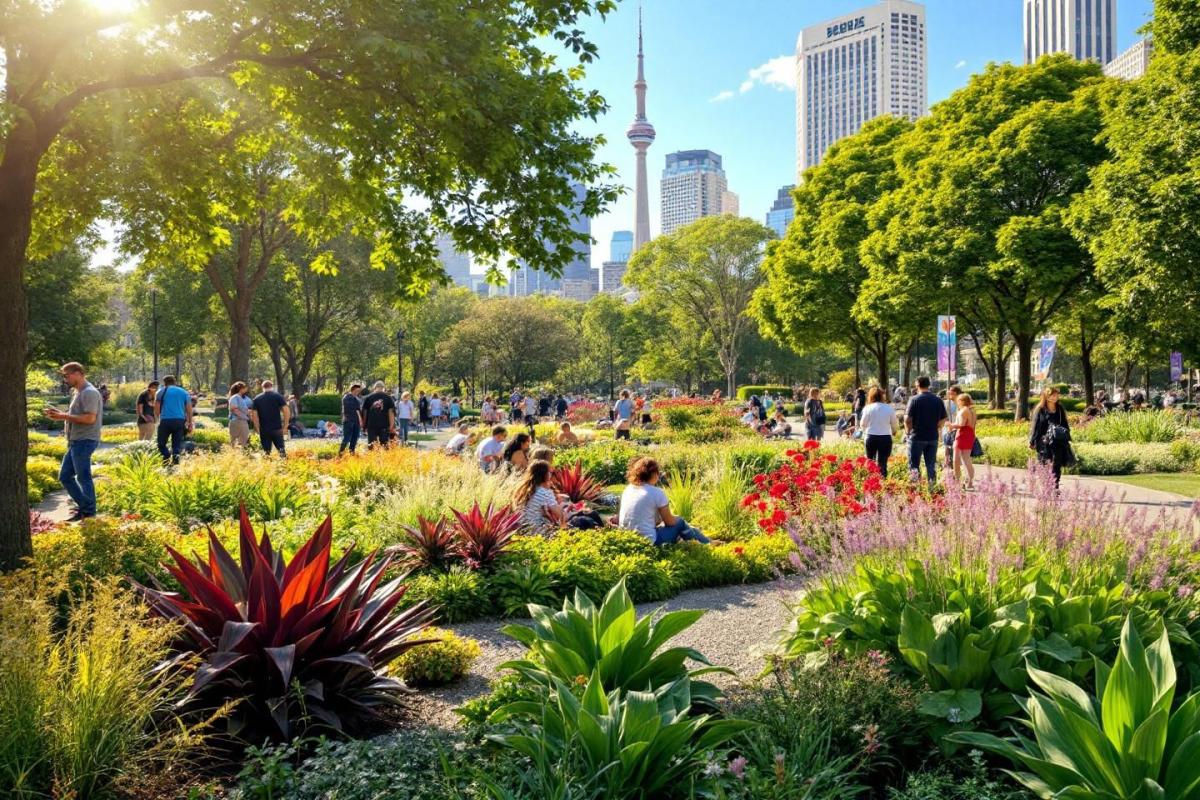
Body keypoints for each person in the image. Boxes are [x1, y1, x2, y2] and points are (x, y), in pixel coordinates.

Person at [45, 362, 102, 521]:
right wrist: (60, 414)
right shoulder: (78, 392)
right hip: (76, 441)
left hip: (85, 440)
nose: (65, 379)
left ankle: (88, 512)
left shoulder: (89, 392)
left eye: (66, 375)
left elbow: (90, 418)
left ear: (78, 373)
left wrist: (63, 416)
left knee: (83, 478)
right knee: (65, 476)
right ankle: (86, 508)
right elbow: (77, 416)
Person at [618, 457, 710, 545]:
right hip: (650, 542)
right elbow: (670, 522)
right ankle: (705, 542)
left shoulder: (628, 489)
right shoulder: (656, 492)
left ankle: (704, 539)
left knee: (682, 526)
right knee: (680, 522)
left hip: (628, 539)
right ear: (654, 474)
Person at [904, 376, 947, 486]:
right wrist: (937, 427)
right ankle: (932, 489)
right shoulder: (938, 400)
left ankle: (916, 489)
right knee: (931, 465)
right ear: (929, 385)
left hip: (916, 436)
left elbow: (908, 419)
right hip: (932, 437)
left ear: (917, 385)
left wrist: (908, 432)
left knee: (914, 465)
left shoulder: (914, 400)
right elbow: (943, 419)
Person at [1030, 386, 1072, 487]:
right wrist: (1032, 441)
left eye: (1056, 395)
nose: (1055, 397)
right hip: (1044, 441)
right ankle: (1046, 486)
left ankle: (1055, 486)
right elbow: (1035, 426)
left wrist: (1067, 436)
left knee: (1056, 464)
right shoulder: (1040, 409)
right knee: (1044, 463)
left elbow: (1065, 424)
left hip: (1058, 441)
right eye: (1052, 395)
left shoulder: (1060, 408)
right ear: (1046, 396)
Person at [859, 386, 898, 478]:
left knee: (870, 461)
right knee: (883, 463)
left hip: (871, 436)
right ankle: (882, 481)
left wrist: (865, 430)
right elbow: (894, 423)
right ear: (882, 396)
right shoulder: (889, 408)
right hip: (885, 437)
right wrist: (894, 431)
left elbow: (862, 424)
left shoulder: (868, 408)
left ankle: (870, 481)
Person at [155, 374, 193, 464]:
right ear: (174, 382)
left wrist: (157, 420)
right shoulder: (184, 392)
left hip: (165, 420)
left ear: (164, 383)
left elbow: (156, 408)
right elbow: (189, 409)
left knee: (161, 443)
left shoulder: (161, 392)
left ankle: (166, 456)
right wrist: (189, 422)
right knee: (176, 444)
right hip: (179, 421)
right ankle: (176, 463)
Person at [251, 380, 289, 457]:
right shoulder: (278, 396)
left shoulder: (257, 399)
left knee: (266, 452)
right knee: (281, 450)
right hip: (277, 428)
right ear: (272, 386)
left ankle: (267, 466)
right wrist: (285, 425)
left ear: (262, 387)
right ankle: (283, 465)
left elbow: (254, 415)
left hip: (264, 429)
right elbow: (286, 411)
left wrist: (257, 427)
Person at [949, 393, 977, 489]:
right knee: (967, 460)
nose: (957, 403)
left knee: (956, 460)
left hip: (962, 435)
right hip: (970, 435)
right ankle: (970, 482)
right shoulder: (972, 410)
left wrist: (950, 425)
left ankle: (957, 482)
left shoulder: (963, 411)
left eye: (958, 401)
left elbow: (961, 424)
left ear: (961, 401)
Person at [361, 381, 395, 449]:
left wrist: (364, 426)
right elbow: (391, 412)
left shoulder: (368, 398)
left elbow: (365, 412)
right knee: (384, 446)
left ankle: (372, 459)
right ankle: (384, 459)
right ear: (383, 388)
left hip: (371, 425)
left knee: (372, 446)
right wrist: (391, 426)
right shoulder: (388, 398)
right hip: (384, 425)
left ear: (374, 388)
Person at [339, 383, 364, 455]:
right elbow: (356, 410)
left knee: (354, 439)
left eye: (359, 391)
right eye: (356, 390)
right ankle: (341, 454)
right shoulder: (347, 397)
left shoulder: (355, 398)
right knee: (347, 438)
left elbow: (357, 410)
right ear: (352, 389)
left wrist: (359, 421)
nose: (357, 392)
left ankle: (351, 453)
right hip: (349, 421)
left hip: (355, 421)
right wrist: (360, 420)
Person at [227, 381, 252, 447]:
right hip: (238, 421)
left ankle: (239, 456)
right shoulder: (235, 397)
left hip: (239, 421)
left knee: (239, 442)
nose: (246, 389)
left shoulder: (240, 397)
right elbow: (234, 409)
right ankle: (238, 455)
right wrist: (245, 417)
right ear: (241, 389)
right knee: (242, 442)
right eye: (245, 387)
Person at [942, 386, 961, 469]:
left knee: (955, 449)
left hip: (956, 428)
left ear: (955, 393)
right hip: (947, 428)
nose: (948, 393)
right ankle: (947, 465)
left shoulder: (961, 403)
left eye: (950, 392)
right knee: (947, 447)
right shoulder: (946, 403)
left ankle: (954, 466)